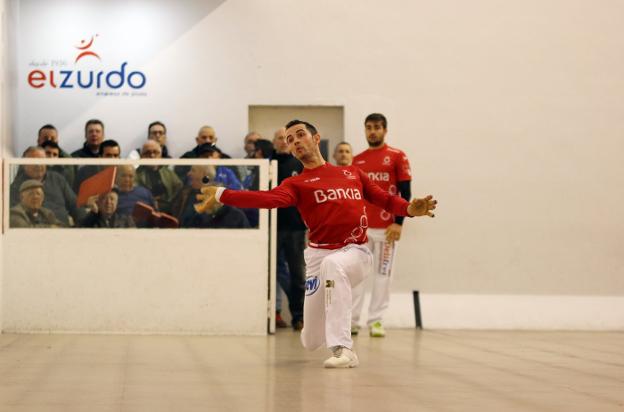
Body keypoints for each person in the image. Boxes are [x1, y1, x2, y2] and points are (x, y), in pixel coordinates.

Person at [197, 120, 437, 368]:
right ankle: (324, 334)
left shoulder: (352, 173)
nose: (296, 141)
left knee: (335, 265)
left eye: (300, 135)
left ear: (315, 138)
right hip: (317, 257)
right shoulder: (296, 184)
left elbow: (384, 198)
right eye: (290, 140)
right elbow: (267, 198)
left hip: (355, 252)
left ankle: (343, 349)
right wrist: (222, 194)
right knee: (310, 340)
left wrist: (408, 209)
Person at [350, 113, 413, 338]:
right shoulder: (357, 160)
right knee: (357, 274)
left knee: (382, 275)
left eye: (377, 127)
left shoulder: (397, 156)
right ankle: (353, 321)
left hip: (387, 229)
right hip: (362, 229)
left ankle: (376, 320)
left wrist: (399, 223)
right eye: (368, 127)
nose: (372, 131)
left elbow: (405, 192)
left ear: (385, 130)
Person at [272, 127, 306, 330]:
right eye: (279, 138)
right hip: (273, 227)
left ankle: (299, 316)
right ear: (274, 142)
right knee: (272, 271)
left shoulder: (299, 165)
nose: (283, 141)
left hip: (295, 228)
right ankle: (271, 314)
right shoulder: (267, 164)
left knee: (298, 274)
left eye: (287, 138)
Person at [10, 146, 85, 226]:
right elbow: (15, 218)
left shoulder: (57, 179)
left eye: (42, 161)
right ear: (24, 165)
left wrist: (84, 225)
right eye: (34, 161)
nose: (38, 165)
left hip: (64, 231)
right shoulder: (15, 187)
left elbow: (76, 205)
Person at [172, 164, 250, 228]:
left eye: (193, 170)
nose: (188, 173)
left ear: (205, 176)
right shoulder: (184, 193)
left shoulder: (235, 215)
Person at [135, 140, 183, 214]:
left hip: (169, 213)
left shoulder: (169, 174)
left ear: (160, 156)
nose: (152, 156)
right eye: (147, 153)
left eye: (155, 152)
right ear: (141, 157)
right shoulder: (135, 175)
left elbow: (179, 191)